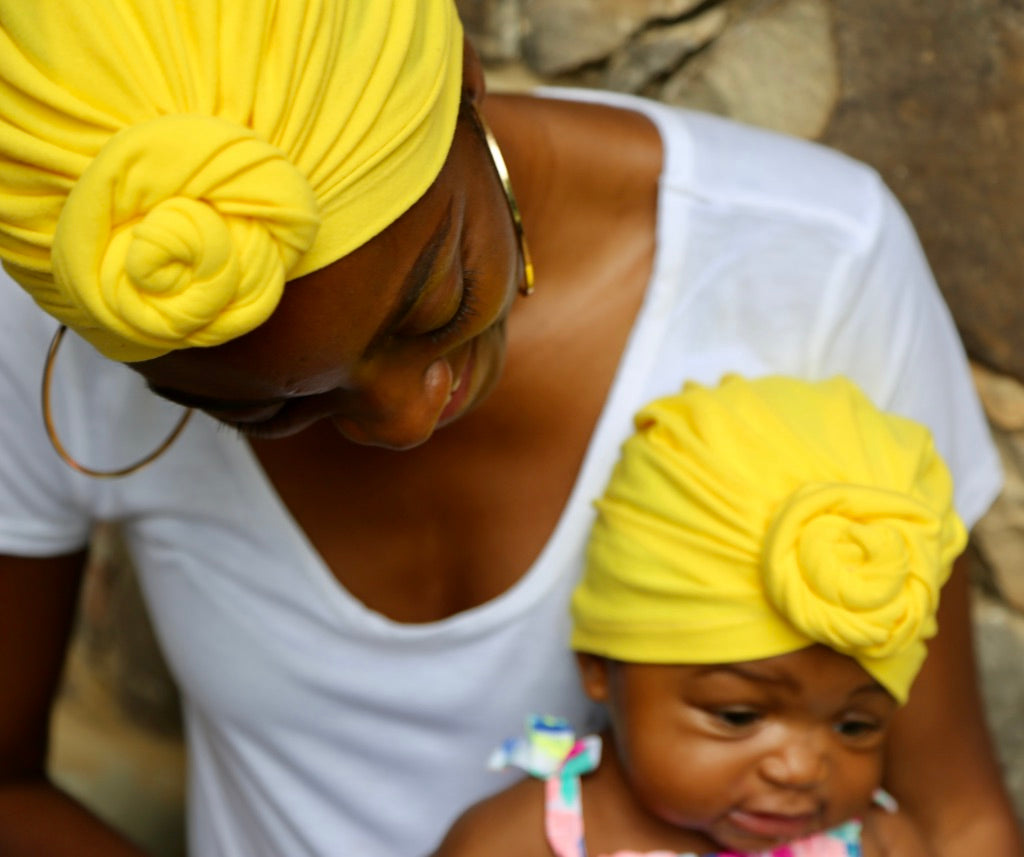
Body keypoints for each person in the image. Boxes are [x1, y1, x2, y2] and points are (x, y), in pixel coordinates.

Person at [0, 2, 1018, 856]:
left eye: (436, 296)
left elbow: (957, 815)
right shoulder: (71, 317)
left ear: (466, 84)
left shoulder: (811, 268)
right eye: (262, 408)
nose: (404, 421)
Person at [433, 374, 961, 857]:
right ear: (599, 666)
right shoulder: (510, 845)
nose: (800, 768)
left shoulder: (878, 846)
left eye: (855, 726)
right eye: (738, 717)